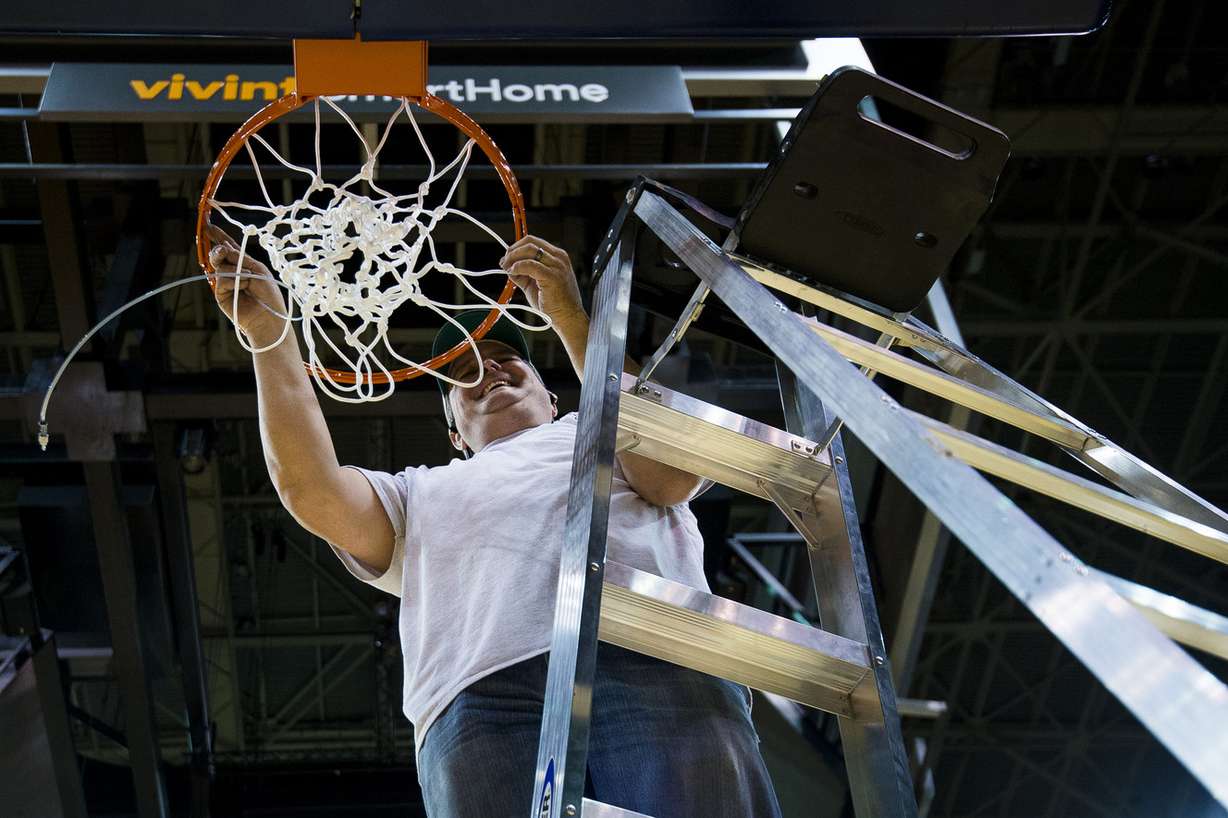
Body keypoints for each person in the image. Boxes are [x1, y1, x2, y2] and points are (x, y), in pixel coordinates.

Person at [207, 224, 782, 818]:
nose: (490, 371)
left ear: (553, 397)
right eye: (464, 374)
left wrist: (570, 318)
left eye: (508, 358)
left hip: (649, 648)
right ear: (454, 433)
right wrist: (269, 334)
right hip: (479, 696)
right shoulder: (419, 491)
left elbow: (667, 475)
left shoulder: (599, 429)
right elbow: (312, 491)